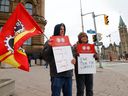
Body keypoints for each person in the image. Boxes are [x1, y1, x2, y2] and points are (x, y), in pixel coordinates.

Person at [42, 23, 75, 96]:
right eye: (60, 29)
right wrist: (50, 47)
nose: (62, 31)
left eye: (63, 29)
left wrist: (73, 59)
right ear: (56, 30)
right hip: (57, 75)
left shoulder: (68, 42)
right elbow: (45, 56)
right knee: (55, 94)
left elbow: (72, 54)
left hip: (68, 74)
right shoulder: (50, 41)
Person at [73, 32, 94, 96]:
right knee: (80, 89)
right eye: (83, 36)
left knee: (89, 89)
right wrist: (76, 54)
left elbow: (95, 55)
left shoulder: (90, 46)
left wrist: (96, 56)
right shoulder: (75, 46)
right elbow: (72, 55)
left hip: (89, 70)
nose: (85, 37)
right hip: (80, 71)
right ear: (79, 38)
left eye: (86, 36)